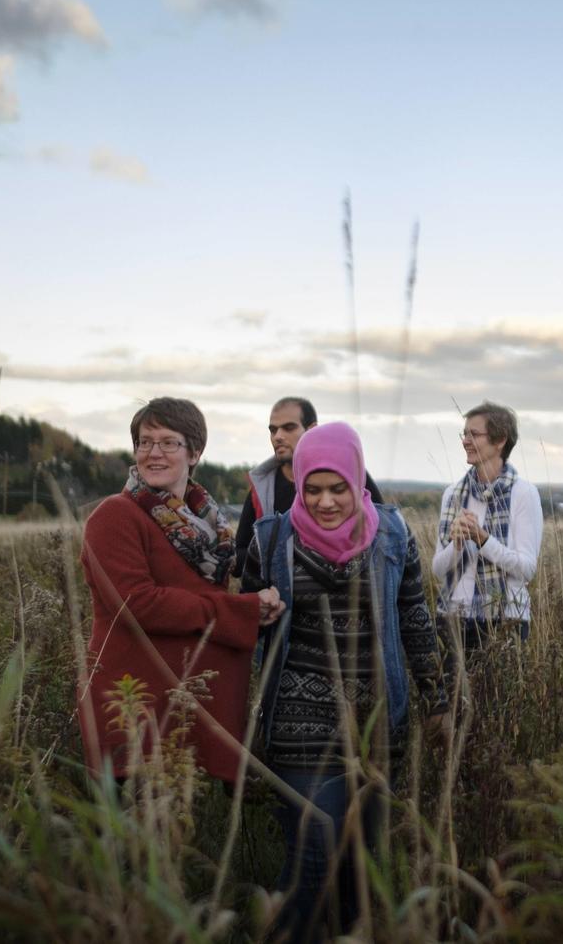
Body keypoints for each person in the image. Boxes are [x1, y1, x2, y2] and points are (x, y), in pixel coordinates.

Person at [250, 422, 447, 940]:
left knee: (360, 867)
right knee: (312, 858)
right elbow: (241, 625)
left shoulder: (393, 533)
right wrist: (255, 612)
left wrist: (437, 698)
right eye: (312, 489)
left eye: (338, 488)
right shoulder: (271, 538)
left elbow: (415, 619)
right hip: (299, 723)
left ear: (358, 478)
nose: (325, 502)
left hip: (376, 725)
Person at [77, 397, 284, 782]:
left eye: (168, 442)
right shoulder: (114, 517)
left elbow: (197, 599)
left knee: (186, 839)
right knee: (137, 838)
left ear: (195, 452)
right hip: (135, 710)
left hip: (190, 712)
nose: (153, 453)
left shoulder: (208, 527)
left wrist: (256, 608)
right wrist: (241, 612)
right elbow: (138, 605)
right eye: (144, 442)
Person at [431, 401, 544, 652]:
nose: (465, 441)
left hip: (505, 620)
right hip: (452, 617)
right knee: (450, 692)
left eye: (474, 434)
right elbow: (438, 570)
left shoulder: (523, 494)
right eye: (464, 434)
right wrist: (458, 544)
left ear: (500, 440)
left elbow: (527, 569)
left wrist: (482, 540)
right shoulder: (453, 495)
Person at [235, 396, 384, 583]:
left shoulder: (351, 476)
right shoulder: (262, 488)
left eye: (288, 428)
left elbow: (381, 530)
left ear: (311, 429)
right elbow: (240, 553)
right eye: (273, 430)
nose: (278, 436)